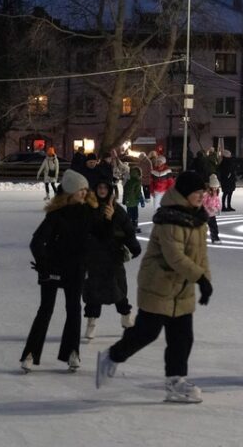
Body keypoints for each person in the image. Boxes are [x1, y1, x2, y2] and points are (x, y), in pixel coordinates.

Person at [96, 171, 212, 404]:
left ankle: (175, 382)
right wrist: (200, 278)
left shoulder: (198, 218)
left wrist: (205, 280)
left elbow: (201, 256)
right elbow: (174, 256)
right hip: (158, 284)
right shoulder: (170, 218)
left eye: (203, 192)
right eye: (197, 193)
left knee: (182, 337)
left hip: (182, 289)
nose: (201, 196)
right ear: (184, 194)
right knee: (146, 333)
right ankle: (112, 356)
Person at [21, 169, 97, 373]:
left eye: (85, 189)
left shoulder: (90, 213)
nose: (84, 192)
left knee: (73, 309)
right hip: (53, 267)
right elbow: (37, 242)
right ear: (70, 192)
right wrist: (44, 264)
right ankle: (30, 353)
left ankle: (73, 352)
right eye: (80, 189)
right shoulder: (55, 215)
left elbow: (100, 237)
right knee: (45, 310)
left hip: (76, 268)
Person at [82, 177, 142, 340]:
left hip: (113, 255)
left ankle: (126, 316)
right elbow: (87, 231)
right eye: (99, 187)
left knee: (118, 288)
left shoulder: (117, 209)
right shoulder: (88, 208)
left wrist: (134, 246)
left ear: (110, 190)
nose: (102, 191)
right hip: (94, 256)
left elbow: (128, 230)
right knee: (93, 291)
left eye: (105, 188)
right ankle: (91, 323)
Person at [123, 163, 144, 233]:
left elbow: (125, 191)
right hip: (134, 201)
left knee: (129, 213)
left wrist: (124, 200)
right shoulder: (137, 182)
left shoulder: (128, 181)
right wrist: (141, 201)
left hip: (128, 201)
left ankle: (128, 226)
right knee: (135, 214)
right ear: (138, 174)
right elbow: (138, 193)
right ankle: (134, 226)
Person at [203, 175, 222, 243]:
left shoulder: (216, 193)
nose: (215, 189)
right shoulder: (206, 194)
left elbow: (217, 202)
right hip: (206, 213)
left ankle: (215, 238)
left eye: (216, 187)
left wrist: (218, 208)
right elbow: (203, 203)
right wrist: (208, 209)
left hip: (212, 214)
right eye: (214, 187)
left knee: (214, 227)